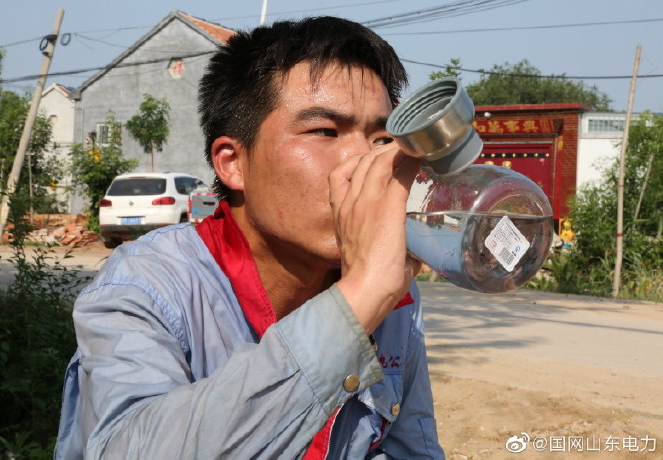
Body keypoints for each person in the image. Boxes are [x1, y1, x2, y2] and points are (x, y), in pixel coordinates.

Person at [55, 16, 445, 459]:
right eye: (324, 131)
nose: (365, 162)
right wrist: (358, 303)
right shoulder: (146, 286)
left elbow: (410, 448)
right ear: (233, 163)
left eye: (381, 139)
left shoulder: (392, 294)